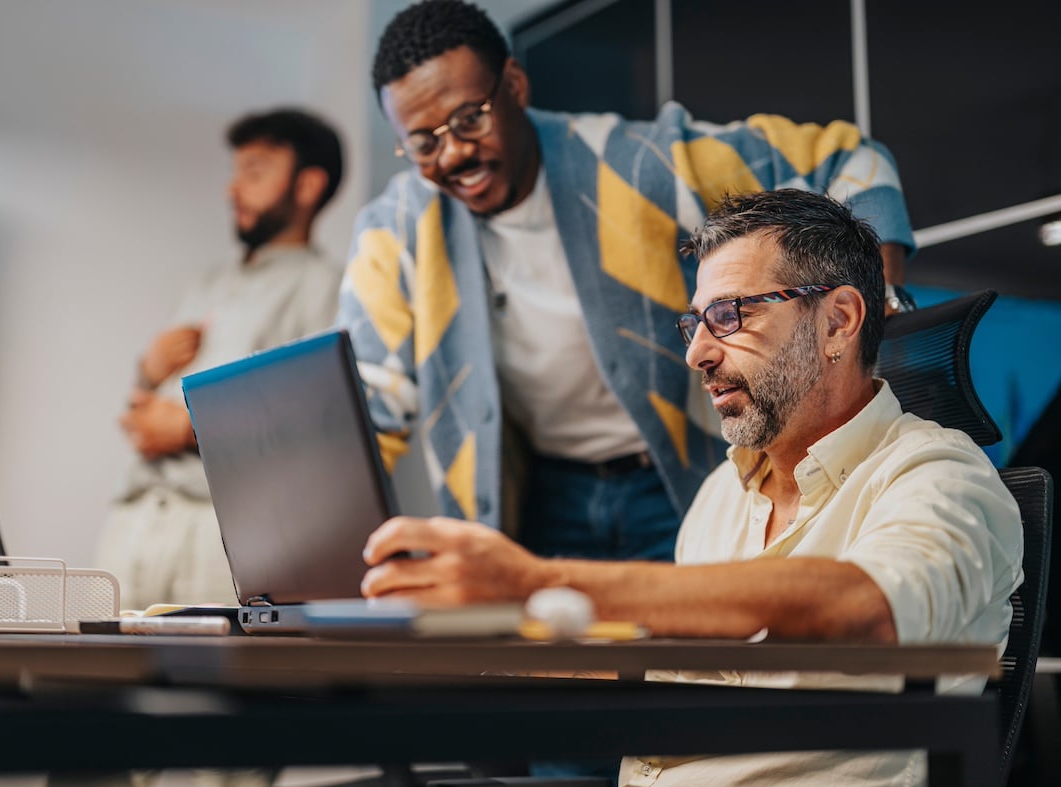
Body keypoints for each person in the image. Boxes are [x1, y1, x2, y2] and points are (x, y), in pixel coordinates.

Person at [360, 188, 1024, 787]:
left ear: (839, 322)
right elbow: (667, 669)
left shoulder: (942, 476)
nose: (697, 352)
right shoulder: (723, 492)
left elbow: (867, 605)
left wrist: (534, 581)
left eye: (729, 315)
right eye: (696, 323)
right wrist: (476, 650)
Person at [340, 0, 917, 576]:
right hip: (540, 497)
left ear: (514, 84)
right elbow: (367, 403)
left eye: (471, 119)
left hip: (676, 482)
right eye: (423, 143)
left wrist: (880, 307)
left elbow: (852, 161)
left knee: (685, 656)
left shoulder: (639, 162)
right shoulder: (396, 231)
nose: (454, 153)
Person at [95, 109, 344, 613]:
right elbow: (146, 409)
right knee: (94, 684)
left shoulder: (327, 287)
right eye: (236, 173)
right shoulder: (203, 284)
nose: (233, 189)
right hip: (135, 521)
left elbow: (323, 426)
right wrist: (145, 373)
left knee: (210, 689)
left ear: (308, 185)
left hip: (219, 536)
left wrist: (189, 430)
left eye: (255, 172)